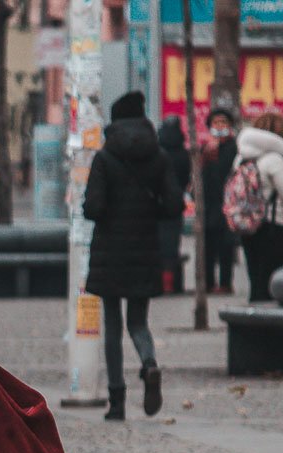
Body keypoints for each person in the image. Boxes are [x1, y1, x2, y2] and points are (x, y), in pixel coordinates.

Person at [82, 91, 183, 422]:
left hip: (110, 250)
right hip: (145, 248)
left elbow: (93, 207)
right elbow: (173, 206)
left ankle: (117, 401)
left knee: (112, 325)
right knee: (138, 322)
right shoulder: (160, 157)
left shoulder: (105, 157)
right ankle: (149, 364)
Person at [234, 112, 283, 302]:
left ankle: (254, 325)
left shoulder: (241, 159)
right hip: (276, 226)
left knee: (256, 280)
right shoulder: (274, 160)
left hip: (249, 226)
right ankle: (270, 327)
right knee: (273, 282)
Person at [201, 108, 239, 293]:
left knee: (226, 245)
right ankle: (207, 283)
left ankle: (225, 283)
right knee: (207, 245)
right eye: (216, 122)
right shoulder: (204, 148)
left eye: (224, 122)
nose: (220, 126)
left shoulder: (234, 147)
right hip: (208, 204)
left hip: (227, 203)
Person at [157, 116, 191, 294]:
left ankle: (158, 283)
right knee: (171, 247)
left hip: (156, 204)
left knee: (156, 245)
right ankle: (169, 284)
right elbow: (186, 179)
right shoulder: (183, 154)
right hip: (175, 205)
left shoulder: (156, 152)